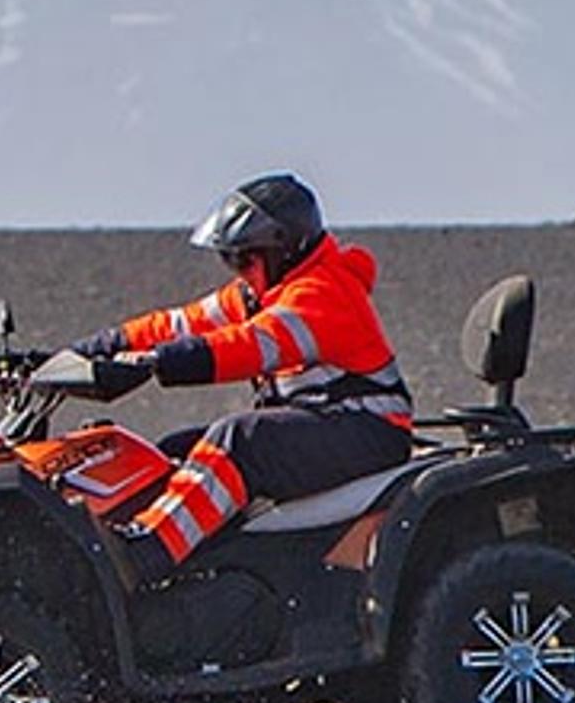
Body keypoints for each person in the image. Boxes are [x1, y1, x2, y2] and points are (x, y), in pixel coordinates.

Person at [70, 174, 415, 585]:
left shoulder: (324, 291)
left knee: (239, 441)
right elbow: (180, 324)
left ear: (285, 249)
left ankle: (144, 556)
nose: (238, 271)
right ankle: (190, 589)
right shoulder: (263, 290)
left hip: (366, 431)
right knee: (173, 453)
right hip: (324, 423)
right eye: (230, 260)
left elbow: (251, 345)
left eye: (245, 259)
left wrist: (156, 364)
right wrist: (87, 351)